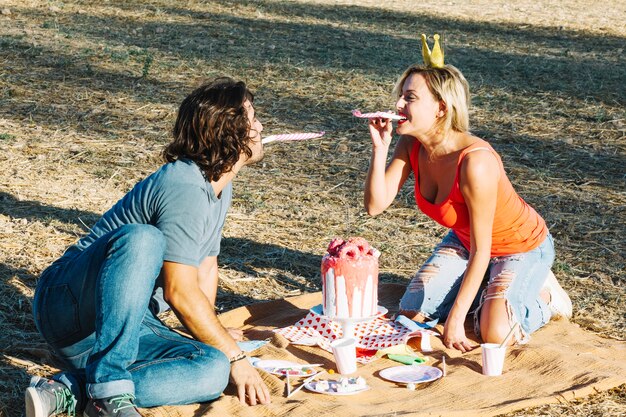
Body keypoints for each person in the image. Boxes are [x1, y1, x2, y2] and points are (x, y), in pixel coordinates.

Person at [25, 77, 271, 417]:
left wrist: (214, 340)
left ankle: (72, 389)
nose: (260, 126)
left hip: (127, 324)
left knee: (213, 367)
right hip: (69, 306)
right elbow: (179, 292)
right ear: (229, 133)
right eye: (252, 118)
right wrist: (238, 356)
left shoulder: (219, 186)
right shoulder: (183, 185)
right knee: (144, 237)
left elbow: (205, 266)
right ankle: (108, 391)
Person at [363, 48, 572, 352]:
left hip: (520, 245)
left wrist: (457, 317)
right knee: (411, 316)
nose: (398, 104)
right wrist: (380, 148)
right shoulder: (410, 144)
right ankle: (489, 292)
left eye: (410, 97)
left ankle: (544, 299)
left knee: (494, 333)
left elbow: (483, 248)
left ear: (441, 108)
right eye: (400, 96)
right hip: (466, 241)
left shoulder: (476, 161)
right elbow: (374, 206)